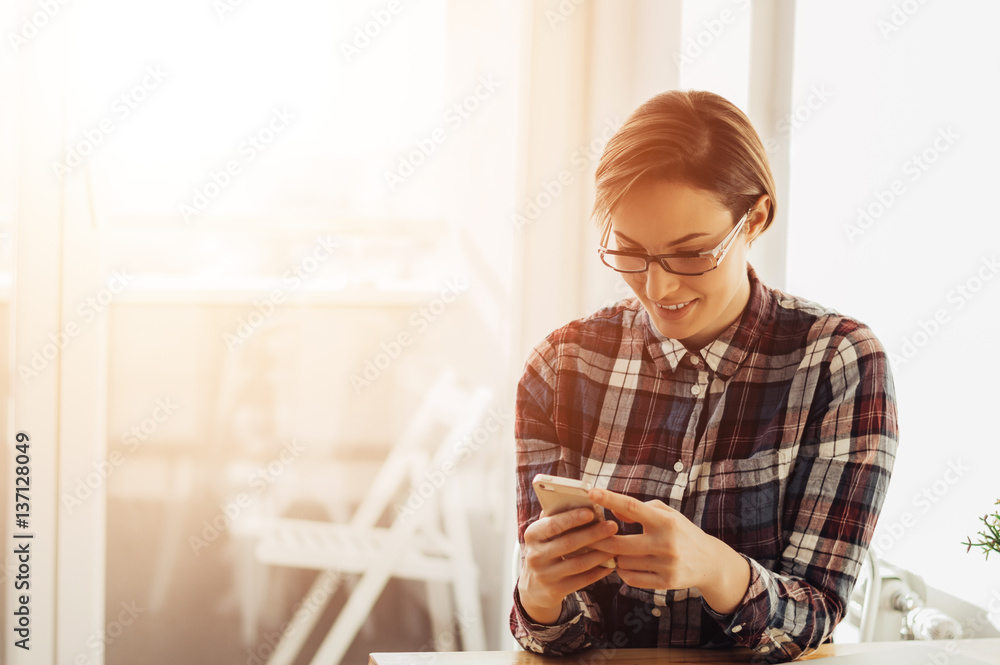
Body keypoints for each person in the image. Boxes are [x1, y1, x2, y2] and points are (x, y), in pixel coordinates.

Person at [509, 90, 898, 663]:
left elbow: (813, 617)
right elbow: (555, 642)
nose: (659, 287)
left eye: (691, 254)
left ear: (756, 218)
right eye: (630, 251)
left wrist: (718, 571)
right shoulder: (562, 365)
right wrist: (539, 595)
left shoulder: (838, 363)